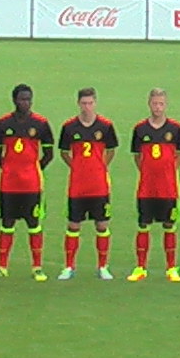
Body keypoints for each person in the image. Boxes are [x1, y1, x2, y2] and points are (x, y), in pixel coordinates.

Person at [0, 84, 55, 280]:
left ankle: (37, 267)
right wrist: (8, 168)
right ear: (14, 100)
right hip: (9, 184)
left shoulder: (41, 124)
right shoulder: (3, 123)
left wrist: (34, 169)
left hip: (32, 185)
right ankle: (2, 267)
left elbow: (49, 154)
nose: (25, 103)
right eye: (22, 99)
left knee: (33, 224)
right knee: (7, 223)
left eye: (28, 99)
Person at [57, 87, 119, 280]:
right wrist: (76, 166)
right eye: (84, 103)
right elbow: (64, 152)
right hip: (77, 186)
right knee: (73, 225)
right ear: (78, 104)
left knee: (102, 225)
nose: (87, 107)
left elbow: (111, 150)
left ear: (95, 103)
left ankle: (103, 267)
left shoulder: (105, 126)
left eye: (90, 103)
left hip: (99, 185)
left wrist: (100, 166)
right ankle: (69, 266)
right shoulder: (69, 127)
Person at [129, 88, 180, 283]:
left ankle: (171, 267)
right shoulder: (140, 129)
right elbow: (137, 156)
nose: (157, 107)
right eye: (154, 103)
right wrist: (147, 171)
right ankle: (140, 267)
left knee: (169, 225)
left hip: (168, 188)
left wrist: (170, 170)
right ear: (149, 104)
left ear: (166, 105)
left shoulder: (175, 128)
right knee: (143, 225)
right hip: (146, 188)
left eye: (161, 103)